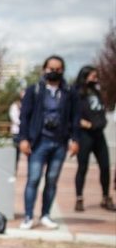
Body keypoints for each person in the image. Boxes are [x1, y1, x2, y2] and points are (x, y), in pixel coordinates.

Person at [18, 55, 80, 230]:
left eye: (58, 69)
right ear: (44, 69)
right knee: (34, 178)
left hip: (59, 142)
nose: (54, 72)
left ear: (62, 70)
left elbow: (75, 118)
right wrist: (23, 139)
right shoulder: (35, 90)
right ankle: (28, 216)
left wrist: (75, 139)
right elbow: (25, 116)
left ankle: (45, 214)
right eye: (51, 68)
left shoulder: (69, 92)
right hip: (38, 142)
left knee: (52, 180)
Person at [73, 65, 115, 212]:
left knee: (105, 167)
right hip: (85, 135)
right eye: (92, 76)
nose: (95, 78)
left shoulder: (97, 92)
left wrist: (102, 122)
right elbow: (71, 114)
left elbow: (101, 110)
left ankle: (106, 197)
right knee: (82, 167)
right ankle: (79, 198)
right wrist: (82, 123)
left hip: (99, 134)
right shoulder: (77, 93)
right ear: (85, 76)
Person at [8, 92, 23, 178]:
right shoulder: (14, 106)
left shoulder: (26, 104)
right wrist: (23, 124)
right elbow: (14, 118)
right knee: (16, 153)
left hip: (24, 132)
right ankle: (14, 170)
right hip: (16, 132)